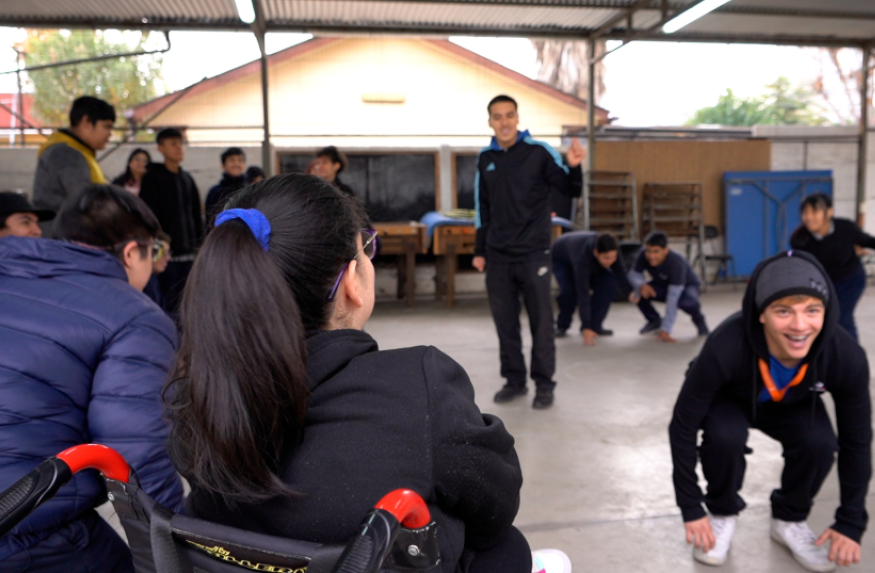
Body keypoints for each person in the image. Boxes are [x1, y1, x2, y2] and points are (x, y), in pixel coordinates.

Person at [165, 174, 530, 573]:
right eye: (365, 248)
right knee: (508, 547)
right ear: (351, 283)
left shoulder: (193, 393)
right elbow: (496, 503)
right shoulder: (419, 389)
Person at [0, 185, 184, 572]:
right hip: (26, 529)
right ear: (133, 252)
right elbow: (139, 457)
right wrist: (177, 548)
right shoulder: (133, 316)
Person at [669, 251, 871, 572]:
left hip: (793, 402)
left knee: (819, 444)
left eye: (812, 310)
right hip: (732, 398)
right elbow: (682, 426)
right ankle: (721, 512)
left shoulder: (845, 356)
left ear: (827, 310)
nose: (800, 325)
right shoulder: (725, 345)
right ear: (761, 313)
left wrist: (851, 521)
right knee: (725, 437)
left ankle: (789, 519)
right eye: (783, 311)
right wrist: (691, 506)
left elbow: (857, 442)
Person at [473, 94, 584, 409]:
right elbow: (483, 207)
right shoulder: (485, 159)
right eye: (498, 116)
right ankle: (515, 380)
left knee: (541, 323)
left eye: (509, 115)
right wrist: (480, 250)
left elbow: (569, 188)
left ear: (517, 118)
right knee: (505, 323)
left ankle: (544, 384)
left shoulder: (539, 153)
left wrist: (575, 168)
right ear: (490, 121)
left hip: (534, 252)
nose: (504, 122)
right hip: (498, 256)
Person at [789, 193, 875, 342]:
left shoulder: (845, 227)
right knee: (822, 319)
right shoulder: (800, 239)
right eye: (805, 213)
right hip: (822, 284)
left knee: (841, 317)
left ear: (829, 212)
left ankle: (852, 357)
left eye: (814, 211)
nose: (809, 217)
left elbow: (866, 240)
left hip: (851, 280)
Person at [139, 128, 203, 317]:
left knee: (188, 298)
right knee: (165, 297)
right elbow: (149, 216)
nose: (178, 148)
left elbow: (195, 216)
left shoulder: (187, 179)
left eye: (180, 143)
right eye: (173, 144)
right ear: (160, 148)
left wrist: (199, 245)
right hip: (164, 252)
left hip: (188, 252)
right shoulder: (152, 178)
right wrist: (157, 249)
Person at [32, 96, 115, 235]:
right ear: (86, 121)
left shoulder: (75, 151)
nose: (110, 134)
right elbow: (86, 201)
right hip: (62, 238)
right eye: (106, 126)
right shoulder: (66, 154)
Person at [551, 232, 632, 345]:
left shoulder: (612, 250)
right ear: (595, 252)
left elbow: (620, 272)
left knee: (609, 282)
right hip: (562, 259)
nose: (610, 261)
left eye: (613, 258)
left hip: (584, 257)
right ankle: (562, 325)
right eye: (606, 258)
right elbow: (583, 294)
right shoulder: (581, 259)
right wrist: (586, 326)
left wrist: (630, 292)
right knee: (569, 291)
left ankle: (595, 326)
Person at [628, 231, 709, 343]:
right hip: (663, 285)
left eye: (656, 252)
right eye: (649, 251)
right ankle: (654, 320)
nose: (651, 256)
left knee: (688, 303)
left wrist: (666, 329)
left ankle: (699, 320)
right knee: (638, 292)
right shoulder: (643, 254)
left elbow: (673, 298)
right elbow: (634, 275)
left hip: (687, 286)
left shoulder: (676, 262)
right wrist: (640, 286)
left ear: (666, 250)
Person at [205, 147, 248, 222]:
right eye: (232, 160)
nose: (236, 164)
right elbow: (209, 221)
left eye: (240, 160)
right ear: (223, 165)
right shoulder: (215, 192)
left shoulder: (250, 190)